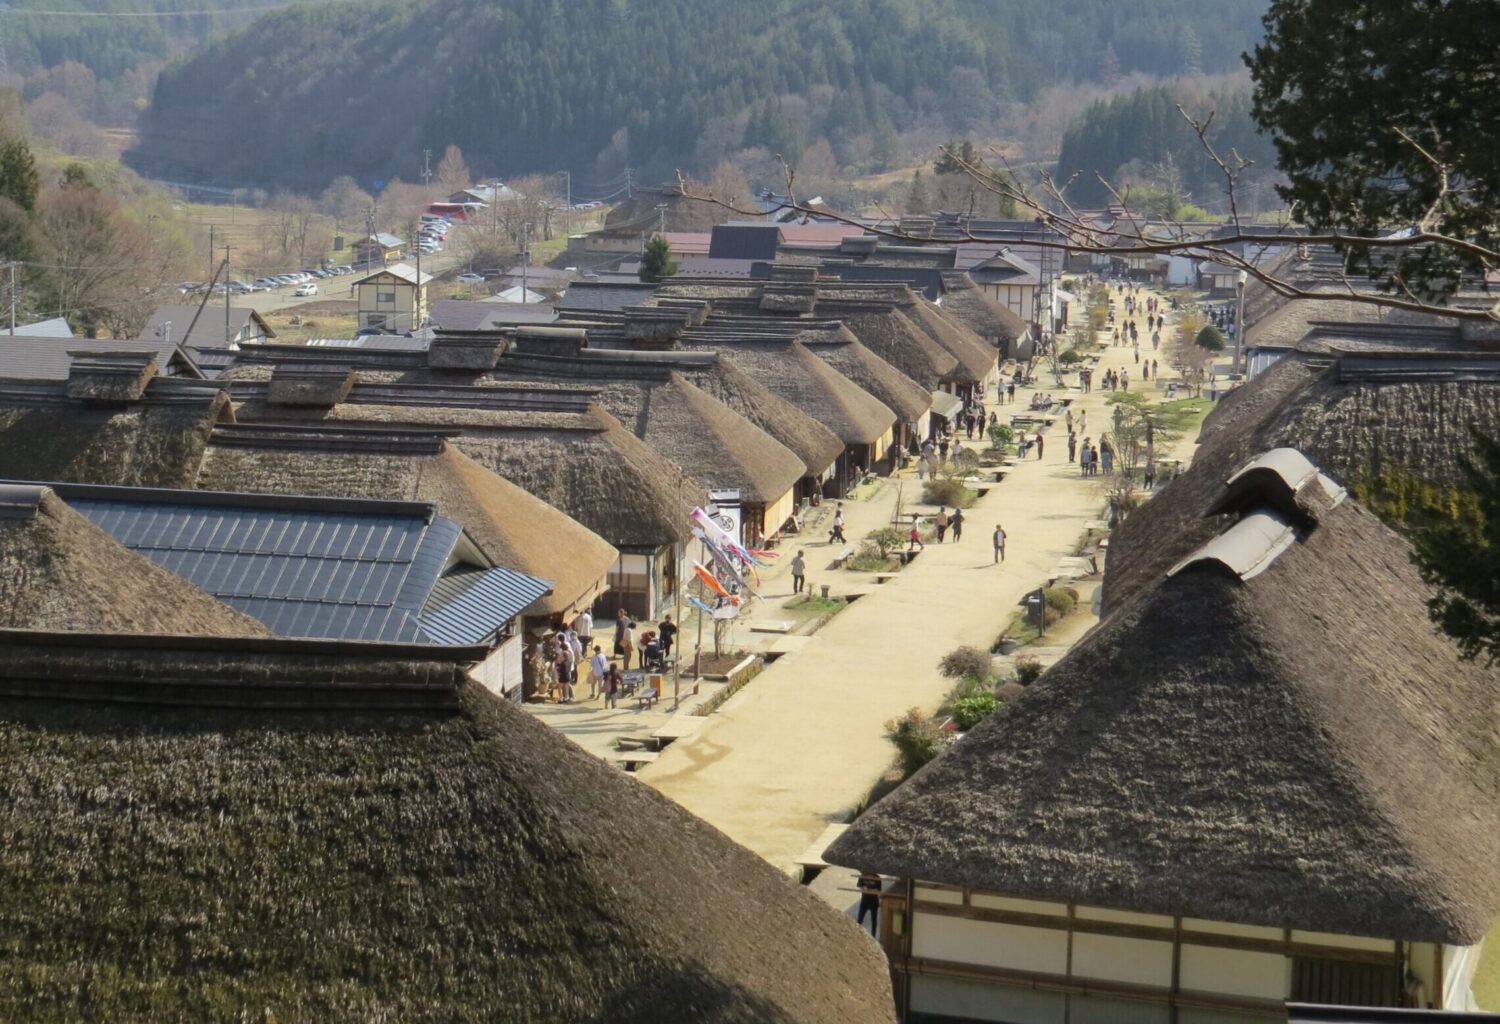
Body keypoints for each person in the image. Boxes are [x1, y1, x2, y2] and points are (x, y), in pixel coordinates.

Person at [856, 872, 882, 937]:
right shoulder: (863, 876)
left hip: (874, 901)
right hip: (864, 901)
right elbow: (860, 887)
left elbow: (878, 890)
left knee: (874, 920)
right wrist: (863, 888)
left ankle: (873, 936)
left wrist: (870, 890)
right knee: (859, 919)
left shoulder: (877, 878)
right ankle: (856, 935)